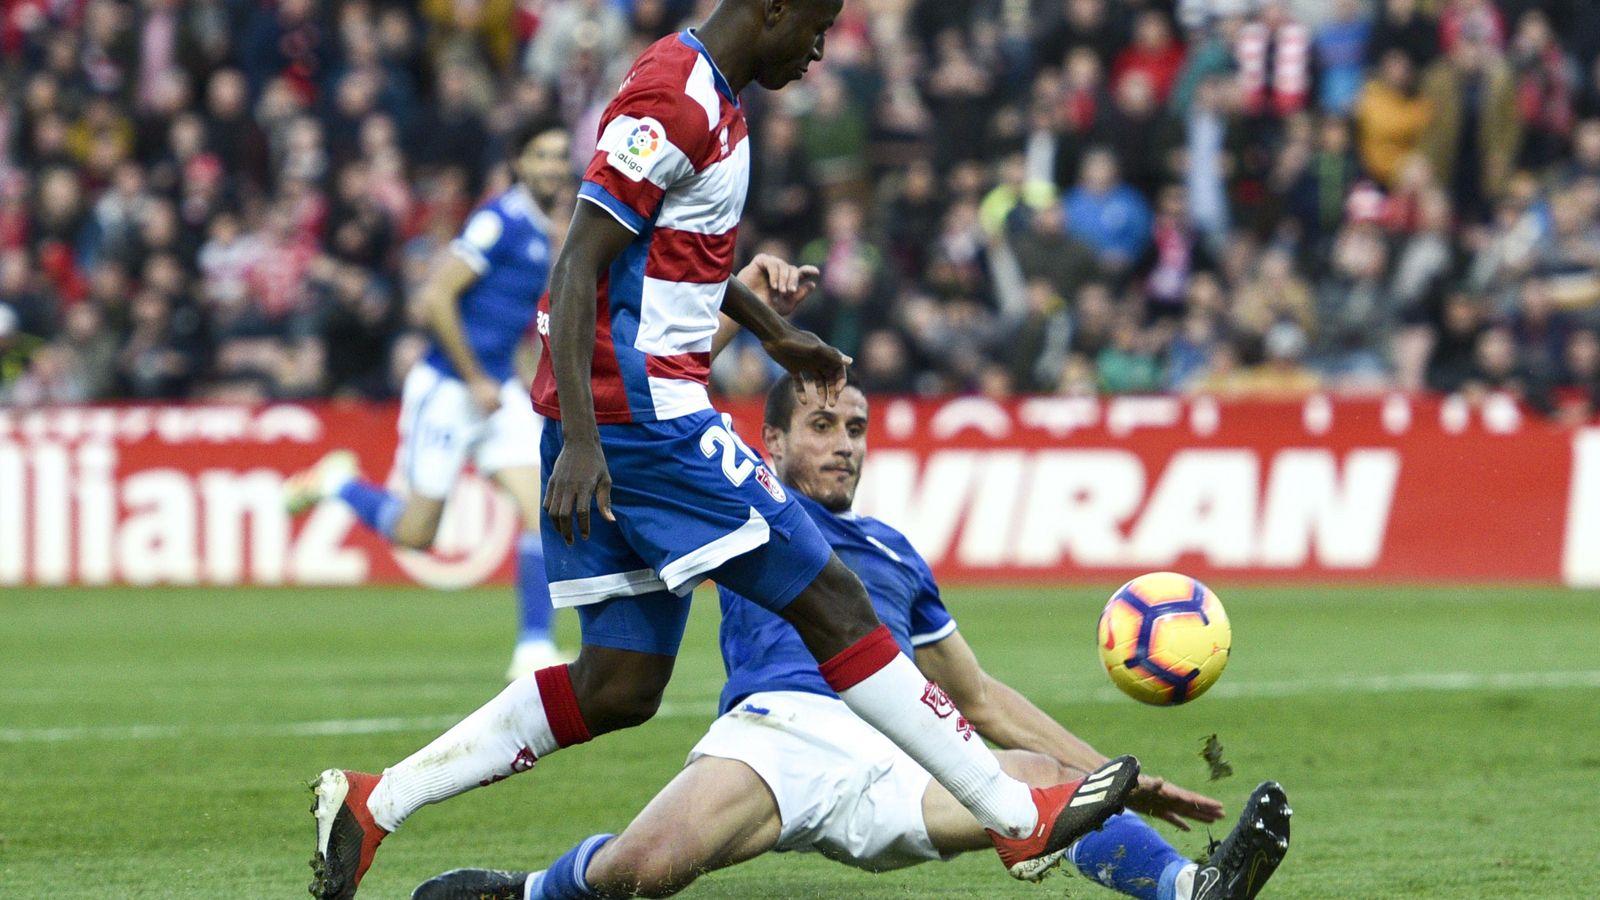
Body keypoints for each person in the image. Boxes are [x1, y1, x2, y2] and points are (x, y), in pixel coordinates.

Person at [308, 5, 1141, 899]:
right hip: (647, 421)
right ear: (772, 8)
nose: (820, 49)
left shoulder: (705, 95)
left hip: (623, 417)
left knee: (619, 682)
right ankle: (1019, 820)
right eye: (815, 25)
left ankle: (375, 803)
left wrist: (776, 336)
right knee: (835, 598)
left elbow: (672, 252)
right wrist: (586, 440)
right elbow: (578, 263)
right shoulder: (676, 96)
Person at [413, 374, 1294, 900]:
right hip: (777, 739)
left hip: (901, 751)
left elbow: (980, 700)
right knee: (640, 873)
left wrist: (1117, 778)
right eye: (823, 427)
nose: (844, 446)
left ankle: (1191, 888)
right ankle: (525, 893)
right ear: (771, 443)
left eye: (857, 429)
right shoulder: (746, 508)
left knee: (1039, 784)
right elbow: (661, 417)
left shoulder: (896, 552)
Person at [284, 118, 575, 682]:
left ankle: (532, 648)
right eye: (540, 156)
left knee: (543, 510)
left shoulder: (543, 231)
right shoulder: (501, 220)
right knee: (418, 533)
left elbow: (510, 323)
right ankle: (335, 485)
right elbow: (435, 298)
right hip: (449, 389)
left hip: (495, 393)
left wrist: (520, 383)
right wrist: (473, 379)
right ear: (518, 164)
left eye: (559, 156)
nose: (552, 167)